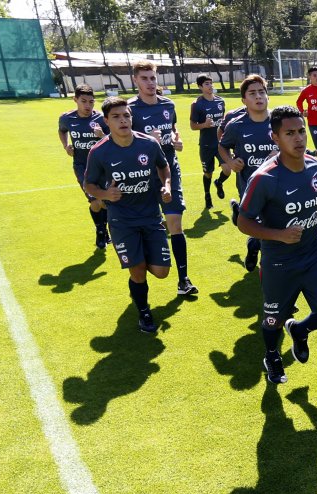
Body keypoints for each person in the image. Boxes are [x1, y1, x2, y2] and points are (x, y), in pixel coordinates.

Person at [237, 106, 317, 384]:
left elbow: (312, 195)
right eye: (289, 133)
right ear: (275, 137)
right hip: (279, 262)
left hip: (313, 253)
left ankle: (299, 330)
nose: (298, 139)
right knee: (272, 319)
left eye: (301, 132)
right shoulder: (264, 178)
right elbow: (244, 223)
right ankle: (272, 355)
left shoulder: (315, 165)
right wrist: (278, 235)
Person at [83, 96, 173, 333]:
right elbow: (88, 185)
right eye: (116, 117)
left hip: (151, 216)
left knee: (162, 272)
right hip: (122, 220)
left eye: (126, 115)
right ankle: (144, 311)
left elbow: (164, 167)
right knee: (139, 269)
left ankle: (138, 270)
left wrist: (167, 186)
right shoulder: (99, 151)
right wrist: (105, 194)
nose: (123, 120)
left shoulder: (148, 144)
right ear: (106, 121)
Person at [128, 60, 197, 296]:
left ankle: (183, 280)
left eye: (153, 78)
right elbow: (123, 143)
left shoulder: (168, 104)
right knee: (147, 225)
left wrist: (176, 140)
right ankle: (141, 270)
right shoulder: (130, 109)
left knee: (175, 223)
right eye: (145, 78)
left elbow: (174, 128)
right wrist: (148, 145)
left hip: (169, 170)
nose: (150, 83)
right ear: (135, 80)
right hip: (141, 178)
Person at [217, 74, 276, 272]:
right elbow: (222, 146)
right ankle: (259, 255)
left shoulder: (280, 121)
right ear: (244, 100)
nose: (258, 96)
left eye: (261, 92)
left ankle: (255, 248)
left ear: (268, 96)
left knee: (272, 226)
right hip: (249, 185)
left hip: (279, 185)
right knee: (262, 228)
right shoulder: (236, 125)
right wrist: (230, 161)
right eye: (252, 93)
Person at [57, 84, 110, 249]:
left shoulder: (101, 119)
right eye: (84, 101)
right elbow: (62, 130)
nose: (88, 106)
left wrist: (102, 136)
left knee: (105, 202)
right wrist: (66, 145)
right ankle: (101, 231)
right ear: (75, 100)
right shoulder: (67, 118)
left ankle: (105, 229)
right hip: (82, 166)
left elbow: (116, 139)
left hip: (102, 166)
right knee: (95, 202)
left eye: (91, 102)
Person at [189, 74, 225, 210]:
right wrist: (204, 125)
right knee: (207, 173)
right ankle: (207, 195)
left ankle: (219, 182)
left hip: (220, 143)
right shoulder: (197, 104)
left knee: (227, 169)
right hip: (206, 144)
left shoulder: (221, 102)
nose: (210, 86)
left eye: (211, 83)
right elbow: (193, 126)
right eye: (206, 84)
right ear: (200, 87)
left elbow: (223, 122)